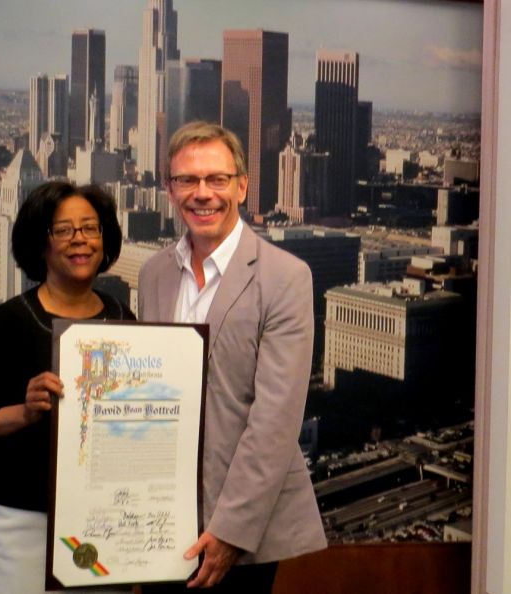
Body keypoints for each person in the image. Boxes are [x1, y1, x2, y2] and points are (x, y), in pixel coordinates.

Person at [138, 122, 327, 593]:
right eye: (187, 180)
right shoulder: (153, 273)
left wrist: (231, 531)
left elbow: (275, 421)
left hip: (243, 530)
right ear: (170, 190)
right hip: (158, 521)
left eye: (217, 179)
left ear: (242, 186)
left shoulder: (285, 277)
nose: (202, 193)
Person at [0, 181, 134, 594]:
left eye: (91, 228)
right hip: (24, 521)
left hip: (104, 518)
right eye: (63, 230)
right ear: (40, 244)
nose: (80, 239)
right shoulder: (8, 323)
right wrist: (24, 412)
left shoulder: (122, 316)